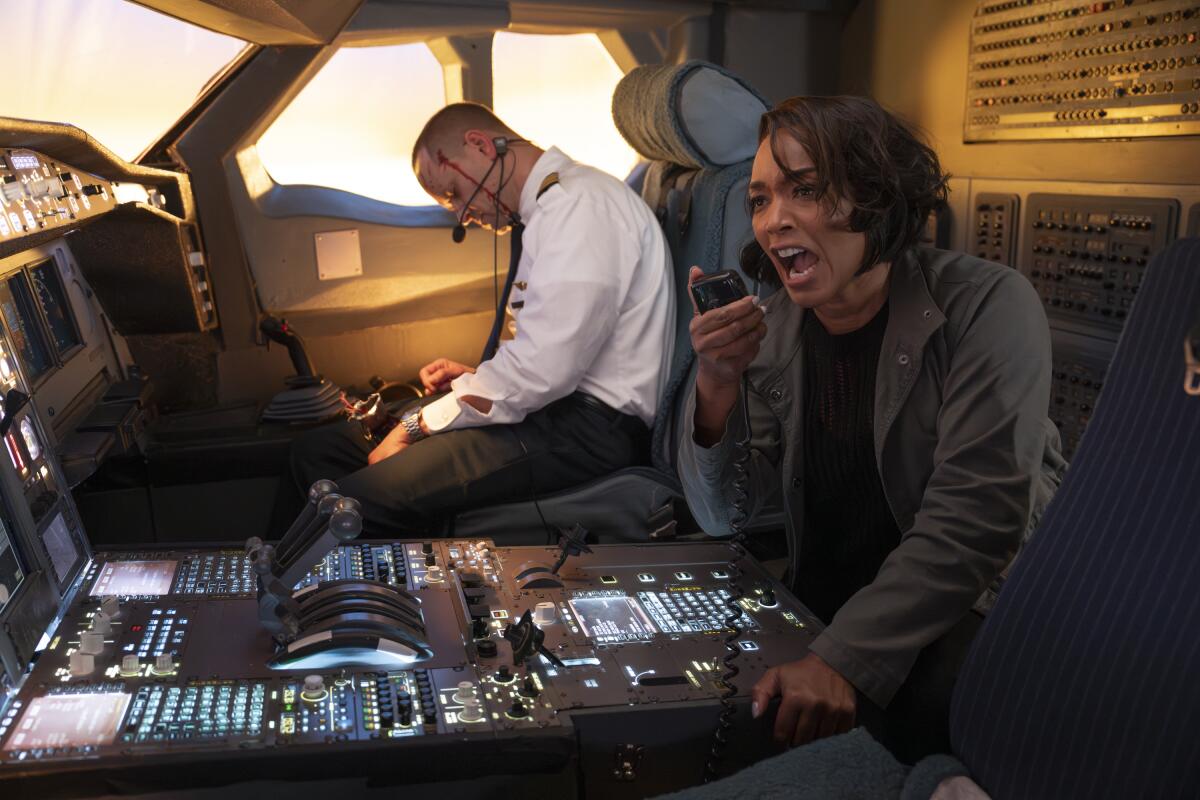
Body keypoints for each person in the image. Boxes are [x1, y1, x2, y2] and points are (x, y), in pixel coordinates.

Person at [678, 96, 1064, 761]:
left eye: (806, 190)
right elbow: (723, 513)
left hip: (963, 611)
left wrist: (842, 659)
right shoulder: (776, 332)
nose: (775, 221)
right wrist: (716, 379)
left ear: (876, 196)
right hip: (829, 598)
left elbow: (976, 519)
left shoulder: (988, 304)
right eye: (761, 200)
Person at [287, 102, 675, 535]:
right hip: (550, 405)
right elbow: (546, 358)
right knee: (320, 450)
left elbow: (544, 371)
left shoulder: (580, 207)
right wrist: (475, 378)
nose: (459, 214)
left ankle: (386, 597)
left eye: (453, 192)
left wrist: (420, 424)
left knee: (354, 506)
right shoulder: (549, 210)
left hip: (586, 430)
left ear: (480, 146)